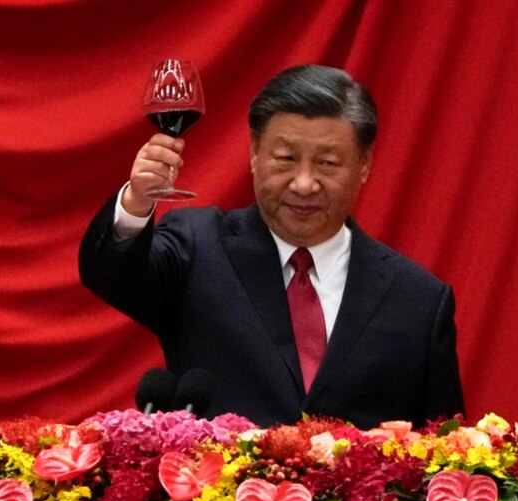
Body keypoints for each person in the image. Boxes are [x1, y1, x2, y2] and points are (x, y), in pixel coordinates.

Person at [79, 64, 463, 429]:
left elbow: (447, 450)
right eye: (286, 159)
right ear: (254, 154)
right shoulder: (198, 247)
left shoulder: (419, 301)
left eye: (328, 163)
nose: (303, 183)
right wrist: (137, 203)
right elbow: (115, 275)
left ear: (364, 165)